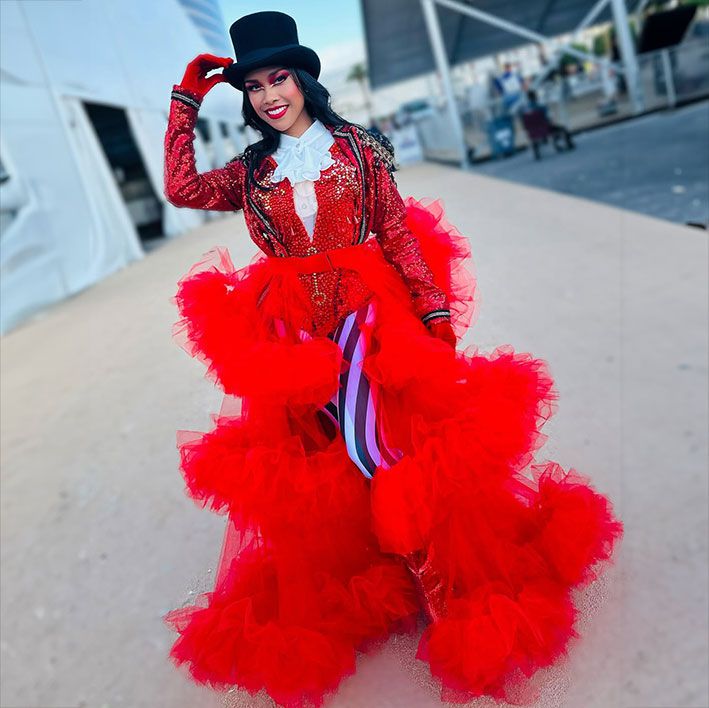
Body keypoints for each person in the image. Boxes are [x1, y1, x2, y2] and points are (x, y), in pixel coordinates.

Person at [163, 11, 623, 707]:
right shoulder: (253, 170)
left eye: (278, 78)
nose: (268, 95)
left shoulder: (357, 150)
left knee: (377, 448)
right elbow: (182, 190)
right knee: (321, 457)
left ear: (303, 80)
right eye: (253, 86)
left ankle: (437, 583)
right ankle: (374, 575)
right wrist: (185, 104)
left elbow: (398, 232)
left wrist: (432, 309)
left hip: (365, 315)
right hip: (291, 332)